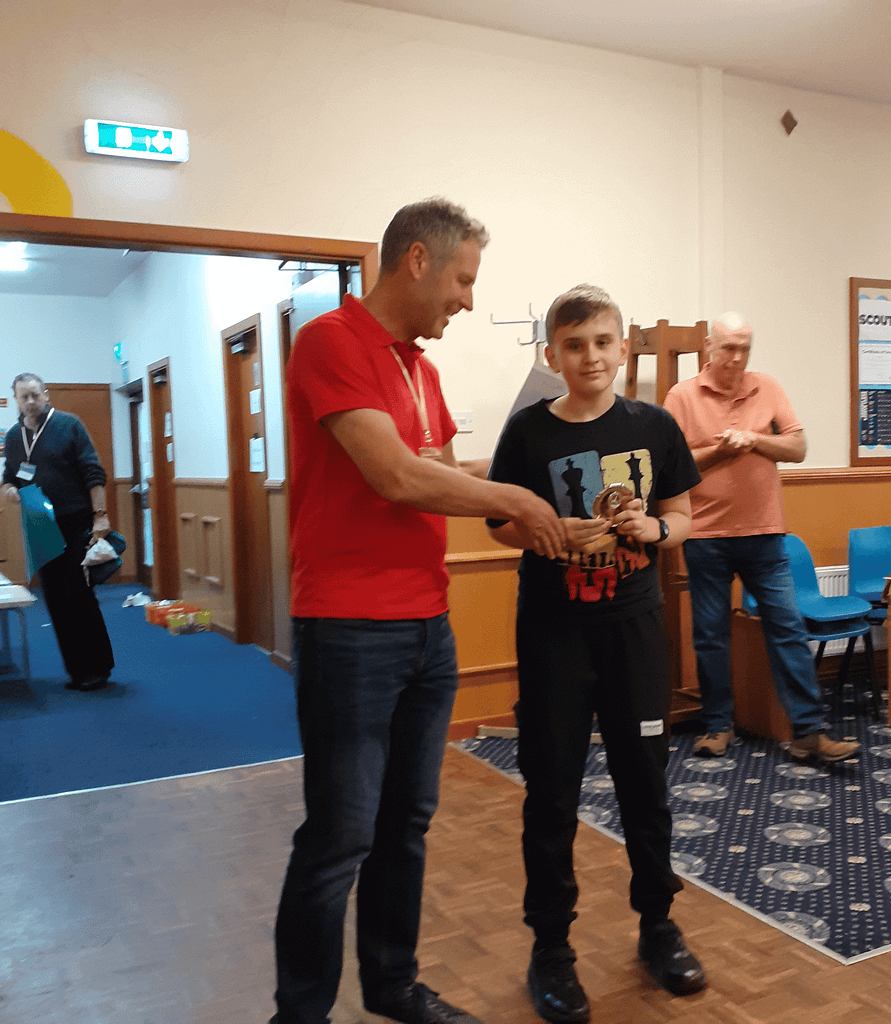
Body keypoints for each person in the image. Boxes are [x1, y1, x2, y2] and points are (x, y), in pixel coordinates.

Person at [272, 198, 568, 1024]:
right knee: (340, 836)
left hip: (426, 627)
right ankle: (300, 1013)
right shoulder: (330, 341)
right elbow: (396, 475)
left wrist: (536, 485)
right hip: (348, 629)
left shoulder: (421, 369)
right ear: (416, 261)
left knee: (406, 824)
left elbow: (443, 469)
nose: (468, 301)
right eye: (463, 281)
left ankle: (393, 986)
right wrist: (512, 496)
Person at [487, 285, 706, 1024]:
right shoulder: (527, 432)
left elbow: (681, 514)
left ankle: (658, 925)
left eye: (603, 342)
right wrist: (547, 534)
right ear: (553, 353)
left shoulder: (655, 426)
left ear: (622, 348)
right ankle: (551, 947)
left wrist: (657, 532)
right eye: (575, 345)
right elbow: (499, 524)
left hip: (634, 629)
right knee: (551, 790)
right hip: (554, 632)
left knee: (644, 780)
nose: (590, 357)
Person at [663, 313, 861, 763]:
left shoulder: (767, 387)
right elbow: (671, 467)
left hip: (765, 534)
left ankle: (808, 732)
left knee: (788, 628)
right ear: (709, 347)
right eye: (728, 348)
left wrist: (752, 440)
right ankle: (718, 726)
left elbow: (797, 447)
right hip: (705, 536)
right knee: (710, 636)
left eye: (745, 349)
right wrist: (721, 450)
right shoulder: (681, 396)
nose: (737, 358)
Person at [1, 373, 114, 691]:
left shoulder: (69, 425)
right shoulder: (14, 436)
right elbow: (9, 477)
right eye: (24, 397)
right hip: (39, 524)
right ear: (16, 400)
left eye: (35, 395)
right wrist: (9, 490)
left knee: (79, 594)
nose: (31, 401)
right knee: (54, 599)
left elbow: (93, 472)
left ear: (46, 395)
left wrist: (100, 516)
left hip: (74, 520)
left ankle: (98, 668)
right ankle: (77, 671)